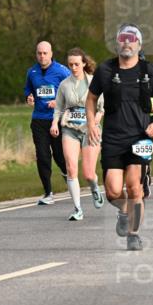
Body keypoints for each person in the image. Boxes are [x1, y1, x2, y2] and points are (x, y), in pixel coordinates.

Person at [86, 25, 153, 251]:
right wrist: (91, 123)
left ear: (139, 45)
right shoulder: (105, 69)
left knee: (135, 188)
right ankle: (124, 210)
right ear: (117, 43)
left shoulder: (149, 71)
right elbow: (91, 99)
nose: (127, 43)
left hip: (140, 137)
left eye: (131, 39)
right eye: (123, 39)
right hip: (114, 138)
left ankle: (133, 234)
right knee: (113, 191)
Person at [50, 48, 104, 220]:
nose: (73, 67)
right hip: (69, 129)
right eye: (70, 64)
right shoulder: (64, 84)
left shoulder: (94, 82)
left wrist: (95, 121)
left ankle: (95, 187)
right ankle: (77, 209)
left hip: (90, 130)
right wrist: (54, 124)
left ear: (84, 64)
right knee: (71, 168)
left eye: (76, 64)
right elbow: (58, 107)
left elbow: (102, 107)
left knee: (88, 173)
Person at [24, 41, 69, 205]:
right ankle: (48, 192)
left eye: (45, 53)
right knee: (42, 156)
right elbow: (28, 90)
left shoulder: (62, 71)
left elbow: (73, 93)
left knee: (59, 156)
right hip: (39, 120)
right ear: (36, 54)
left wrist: (58, 103)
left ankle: (67, 176)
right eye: (39, 53)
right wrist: (28, 97)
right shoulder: (32, 72)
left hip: (57, 120)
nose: (42, 56)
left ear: (51, 54)